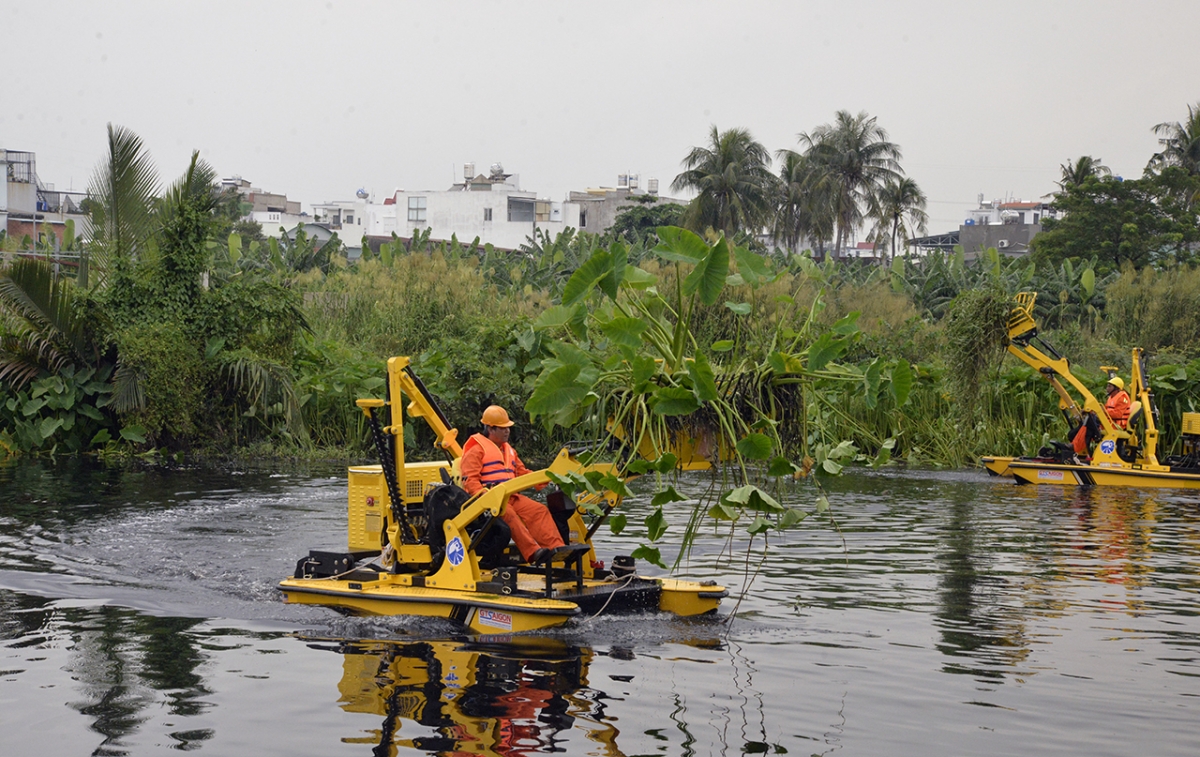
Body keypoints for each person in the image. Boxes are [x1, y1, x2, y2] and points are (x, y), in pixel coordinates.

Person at [460, 405, 565, 564]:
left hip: (512, 496)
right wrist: (483, 495)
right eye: (502, 428)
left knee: (539, 510)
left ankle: (557, 549)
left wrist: (547, 477)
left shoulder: (510, 451)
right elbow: (470, 480)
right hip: (491, 501)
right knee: (509, 516)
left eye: (508, 427)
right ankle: (533, 553)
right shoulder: (476, 451)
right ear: (490, 429)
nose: (507, 431)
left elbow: (522, 473)